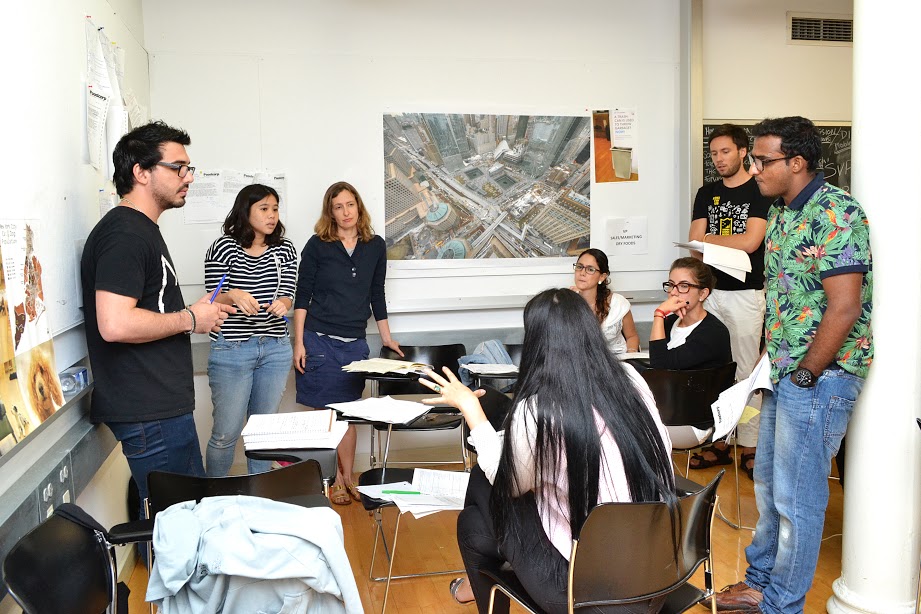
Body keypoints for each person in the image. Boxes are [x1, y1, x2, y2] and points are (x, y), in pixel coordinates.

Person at [420, 289, 675, 613]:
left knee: (478, 504)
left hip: (586, 590)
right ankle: (477, 575)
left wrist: (472, 412)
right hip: (658, 570)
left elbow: (507, 482)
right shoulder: (630, 379)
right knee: (475, 522)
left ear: (536, 342)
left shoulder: (540, 411)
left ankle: (479, 582)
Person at [710, 117, 873, 614]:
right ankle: (761, 581)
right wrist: (769, 362)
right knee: (768, 487)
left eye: (763, 160)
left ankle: (782, 605)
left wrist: (806, 372)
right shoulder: (781, 213)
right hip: (783, 372)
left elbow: (844, 306)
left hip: (820, 379)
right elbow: (784, 300)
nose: (754, 168)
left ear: (796, 162)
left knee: (798, 502)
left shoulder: (837, 213)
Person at [80, 121, 234, 507]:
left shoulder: (141, 229)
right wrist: (191, 319)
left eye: (189, 168)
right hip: (150, 411)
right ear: (141, 172)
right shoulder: (125, 235)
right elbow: (114, 323)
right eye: (177, 168)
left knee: (178, 524)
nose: (188, 178)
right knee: (181, 525)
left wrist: (196, 315)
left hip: (158, 408)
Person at [293, 181, 402, 505]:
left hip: (354, 344)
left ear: (359, 207)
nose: (345, 212)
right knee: (326, 415)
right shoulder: (317, 245)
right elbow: (302, 297)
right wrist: (298, 343)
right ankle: (332, 482)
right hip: (318, 340)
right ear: (331, 211)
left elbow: (376, 294)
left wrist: (386, 337)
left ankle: (347, 477)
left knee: (347, 414)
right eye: (338, 206)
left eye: (350, 205)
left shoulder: (375, 246)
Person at [688, 124, 771, 478]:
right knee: (713, 369)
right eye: (713, 154)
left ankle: (749, 444)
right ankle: (720, 441)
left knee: (745, 370)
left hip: (745, 294)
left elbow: (752, 242)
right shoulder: (706, 193)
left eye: (725, 152)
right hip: (711, 291)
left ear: (742, 152)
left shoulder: (760, 189)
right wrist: (724, 239)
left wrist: (711, 238)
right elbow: (694, 240)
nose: (719, 159)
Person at [203, 184, 297, 477]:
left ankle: (259, 495)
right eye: (264, 209)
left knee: (263, 433)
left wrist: (283, 303)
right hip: (232, 349)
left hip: (275, 348)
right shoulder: (223, 247)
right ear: (246, 211)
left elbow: (288, 293)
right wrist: (233, 295)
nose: (272, 216)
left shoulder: (285, 248)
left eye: (275, 209)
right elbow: (212, 295)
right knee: (225, 433)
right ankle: (215, 497)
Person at [648, 257, 732, 371]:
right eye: (671, 285)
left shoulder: (714, 332)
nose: (673, 292)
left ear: (702, 294)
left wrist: (659, 314)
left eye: (684, 286)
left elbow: (660, 367)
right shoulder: (669, 321)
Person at [570, 248, 640, 354]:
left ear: (602, 277)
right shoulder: (566, 302)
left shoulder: (618, 303)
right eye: (579, 267)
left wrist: (630, 357)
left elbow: (632, 336)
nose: (582, 273)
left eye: (590, 269)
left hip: (618, 362)